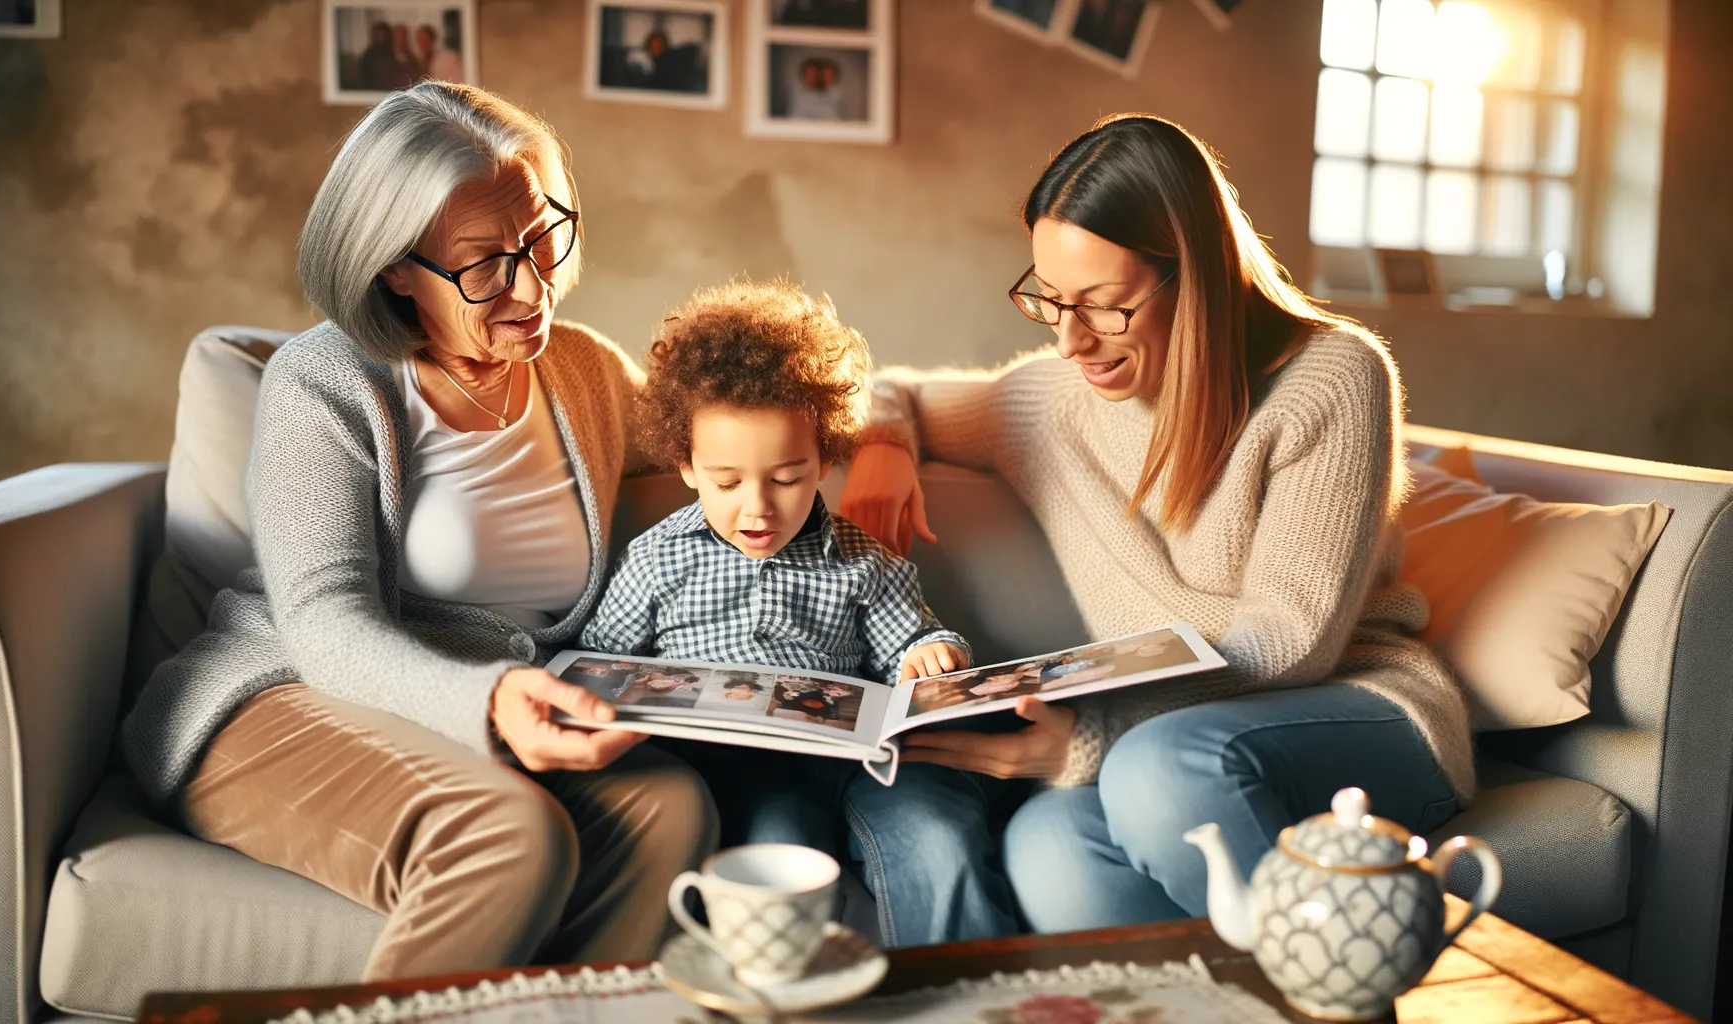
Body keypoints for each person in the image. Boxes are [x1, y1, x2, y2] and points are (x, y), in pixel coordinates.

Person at [120, 82, 718, 981]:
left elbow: (744, 411)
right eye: (483, 264)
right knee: (511, 837)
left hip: (472, 711)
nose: (532, 284)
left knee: (673, 806)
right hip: (276, 698)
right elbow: (324, 623)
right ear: (395, 265)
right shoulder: (321, 382)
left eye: (543, 236)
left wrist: (886, 438)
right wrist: (487, 702)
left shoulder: (584, 371)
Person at [840, 113, 1471, 932]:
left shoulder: (1332, 377)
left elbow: (1289, 637)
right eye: (1049, 300)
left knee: (1155, 769)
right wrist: (885, 447)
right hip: (1170, 736)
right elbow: (898, 389)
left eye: (1103, 307)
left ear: (1195, 278)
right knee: (1047, 842)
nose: (1070, 341)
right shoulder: (1049, 404)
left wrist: (1092, 738)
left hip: (1354, 705)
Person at [577, 281, 1024, 946]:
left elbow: (915, 636)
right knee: (773, 850)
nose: (757, 507)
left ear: (825, 459)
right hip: (749, 772)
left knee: (938, 836)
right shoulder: (655, 561)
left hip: (872, 761)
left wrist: (931, 653)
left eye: (787, 477)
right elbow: (596, 665)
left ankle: (967, 1001)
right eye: (727, 481)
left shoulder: (860, 560)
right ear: (687, 465)